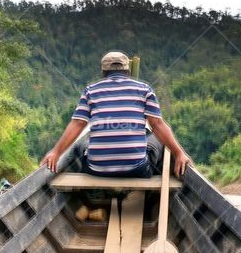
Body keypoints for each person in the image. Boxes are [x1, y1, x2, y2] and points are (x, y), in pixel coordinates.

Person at [40, 51, 193, 178]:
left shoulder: (90, 90)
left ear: (103, 72)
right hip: (137, 170)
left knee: (81, 142)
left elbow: (78, 124)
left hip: (96, 170)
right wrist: (179, 152)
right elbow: (157, 125)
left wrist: (56, 152)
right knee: (157, 137)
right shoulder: (145, 89)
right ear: (128, 71)